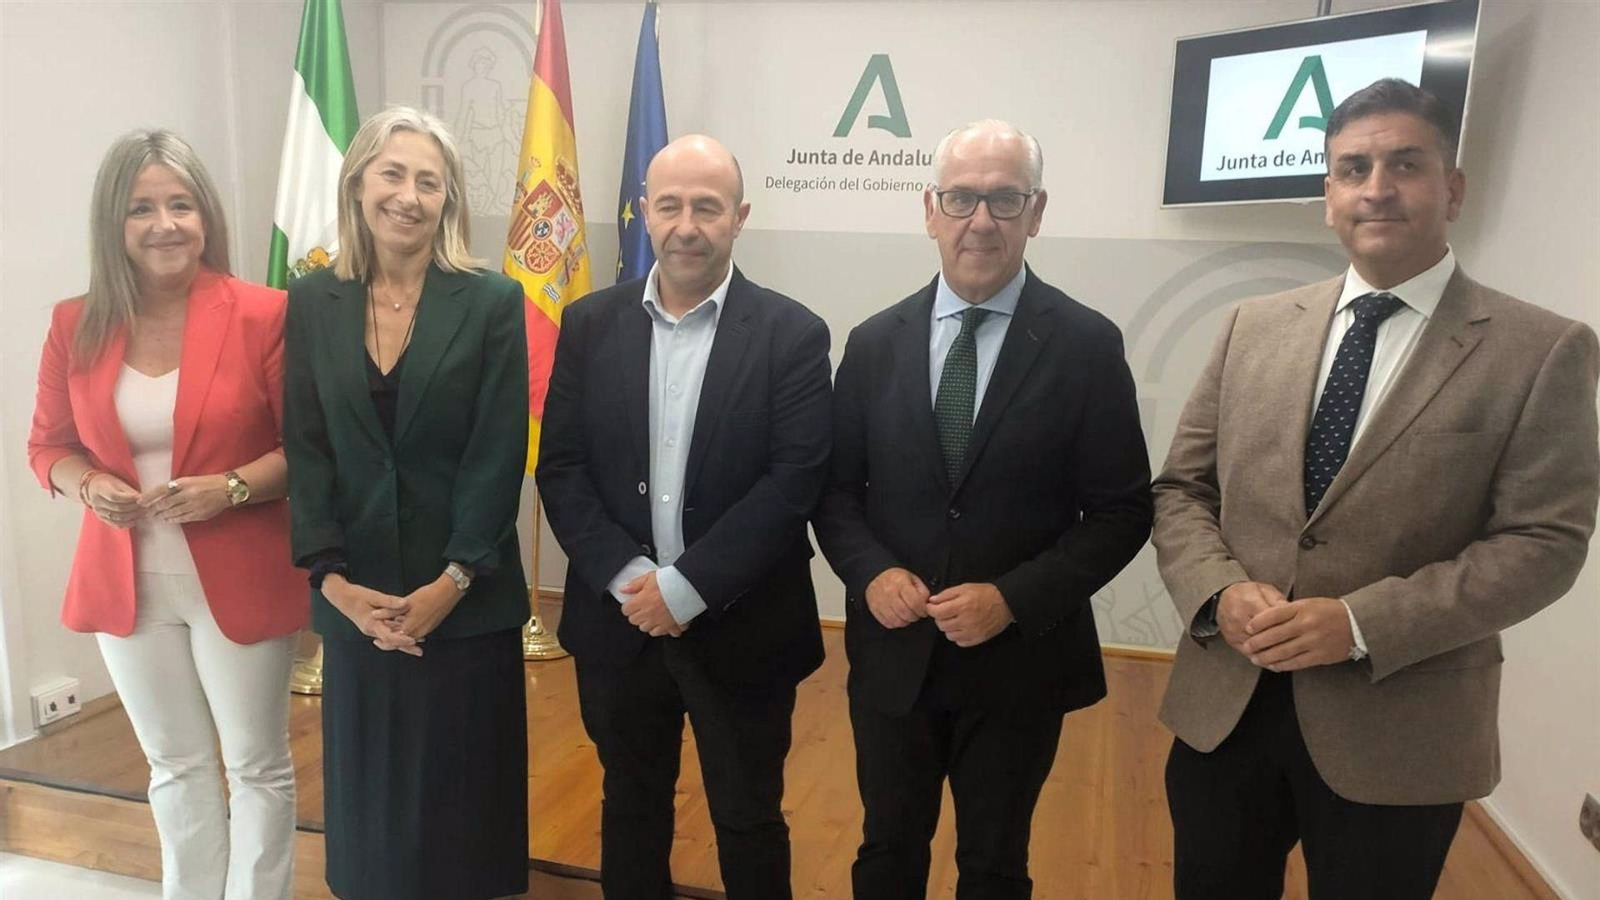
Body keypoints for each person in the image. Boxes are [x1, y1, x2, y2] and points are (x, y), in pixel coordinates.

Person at [1152, 78, 1599, 900]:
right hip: (1228, 708)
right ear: (1328, 195)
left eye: (1406, 164)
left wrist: (1362, 622)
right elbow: (1182, 488)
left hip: (1400, 727)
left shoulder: (1544, 350)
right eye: (1352, 168)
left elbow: (1546, 544)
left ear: (1453, 188)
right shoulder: (1253, 326)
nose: (1377, 188)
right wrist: (1217, 591)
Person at [813, 119, 1153, 899]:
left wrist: (1014, 599)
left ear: (1036, 213)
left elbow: (1122, 510)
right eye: (962, 198)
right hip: (894, 654)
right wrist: (869, 574)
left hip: (1018, 664)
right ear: (929, 210)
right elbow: (834, 492)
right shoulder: (872, 343)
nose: (981, 221)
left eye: (1005, 200)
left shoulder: (1087, 346)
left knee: (996, 864)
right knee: (886, 849)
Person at [537, 134, 831, 899]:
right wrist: (637, 583)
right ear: (643, 214)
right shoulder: (590, 324)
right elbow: (562, 468)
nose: (687, 225)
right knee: (629, 805)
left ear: (740, 218)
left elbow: (793, 480)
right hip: (619, 620)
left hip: (746, 625)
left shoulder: (792, 334)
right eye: (669, 206)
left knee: (747, 815)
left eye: (707, 207)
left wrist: (687, 588)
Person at [27, 129, 304, 900]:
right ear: (113, 221)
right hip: (128, 583)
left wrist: (233, 487)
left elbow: (308, 449)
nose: (165, 224)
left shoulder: (264, 313)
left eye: (181, 204)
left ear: (205, 216)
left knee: (256, 765)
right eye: (142, 207)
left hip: (241, 576)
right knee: (175, 765)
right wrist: (87, 484)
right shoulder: (73, 322)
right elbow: (47, 446)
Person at [281, 106, 530, 900]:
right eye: (393, 174)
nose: (409, 197)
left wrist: (451, 581)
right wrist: (333, 582)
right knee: (370, 808)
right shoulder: (312, 300)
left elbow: (497, 455)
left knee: (464, 810)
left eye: (430, 181)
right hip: (359, 601)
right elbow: (308, 445)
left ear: (448, 199)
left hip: (464, 597)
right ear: (358, 184)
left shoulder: (491, 300)